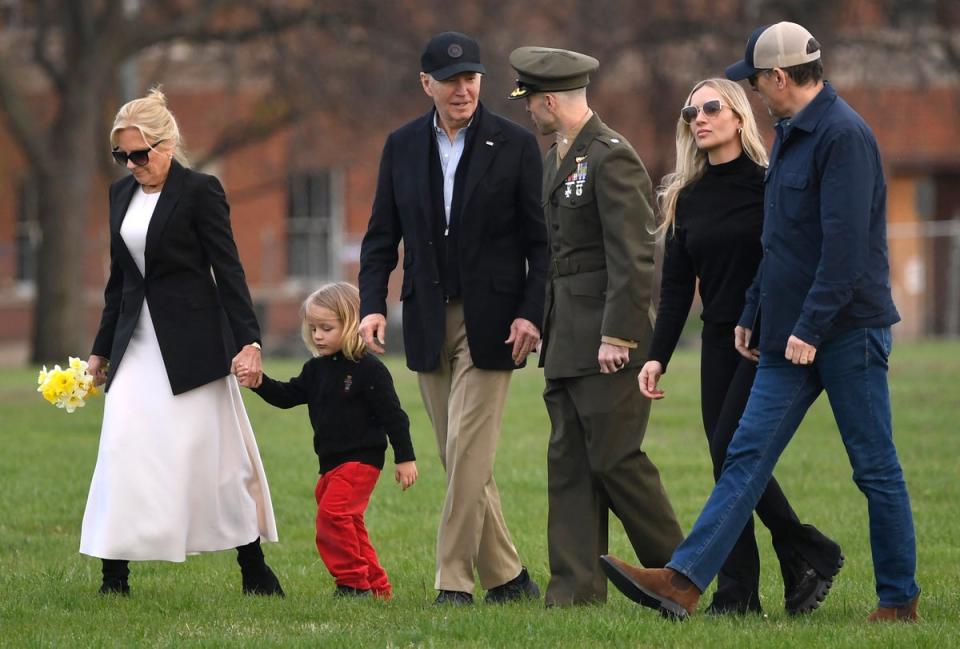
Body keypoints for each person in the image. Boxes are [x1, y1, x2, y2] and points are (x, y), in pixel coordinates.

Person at [599, 22, 921, 622]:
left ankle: (899, 600)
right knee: (742, 456)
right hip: (781, 334)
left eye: (754, 81)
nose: (755, 92)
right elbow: (779, 244)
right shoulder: (791, 136)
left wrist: (810, 326)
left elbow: (846, 249)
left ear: (778, 77)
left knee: (873, 466)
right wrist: (752, 313)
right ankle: (684, 581)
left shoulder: (844, 136)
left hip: (844, 331)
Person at [605, 78, 844, 615]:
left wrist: (766, 321)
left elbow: (790, 260)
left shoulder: (770, 185)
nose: (700, 117)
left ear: (738, 116)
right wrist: (657, 356)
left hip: (765, 338)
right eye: (692, 111)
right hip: (718, 339)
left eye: (713, 107)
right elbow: (674, 291)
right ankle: (774, 570)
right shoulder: (685, 198)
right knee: (726, 460)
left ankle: (774, 569)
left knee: (732, 453)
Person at [357, 31, 547, 605]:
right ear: (426, 85)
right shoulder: (401, 146)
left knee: (468, 450)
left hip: (494, 323)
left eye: (471, 78)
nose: (463, 89)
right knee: (457, 455)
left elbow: (541, 244)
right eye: (450, 80)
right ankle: (509, 578)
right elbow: (380, 238)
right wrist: (370, 305)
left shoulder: (514, 144)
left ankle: (453, 582)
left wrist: (530, 314)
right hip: (424, 319)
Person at [82, 88, 282, 597]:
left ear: (167, 144)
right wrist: (101, 350)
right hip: (136, 345)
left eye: (139, 154)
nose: (131, 164)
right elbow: (119, 282)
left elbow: (229, 270)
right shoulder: (119, 195)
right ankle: (114, 576)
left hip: (193, 349)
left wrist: (250, 341)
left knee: (215, 461)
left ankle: (253, 569)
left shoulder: (201, 191)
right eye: (121, 155)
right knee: (121, 449)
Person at [507, 46, 683, 607]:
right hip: (565, 339)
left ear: (549, 100)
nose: (528, 113)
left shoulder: (611, 157)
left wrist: (620, 335)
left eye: (530, 102)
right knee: (570, 465)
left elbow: (632, 254)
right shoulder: (558, 156)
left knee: (616, 459)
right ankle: (575, 591)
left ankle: (686, 573)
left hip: (607, 339)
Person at [238, 282, 417, 600]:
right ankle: (376, 586)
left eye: (327, 328)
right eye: (313, 328)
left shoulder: (369, 371)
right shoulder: (315, 369)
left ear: (350, 325)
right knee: (350, 522)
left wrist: (405, 458)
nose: (318, 335)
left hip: (362, 460)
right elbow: (287, 396)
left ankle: (353, 584)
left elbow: (395, 417)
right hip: (331, 463)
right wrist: (259, 383)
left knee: (333, 518)